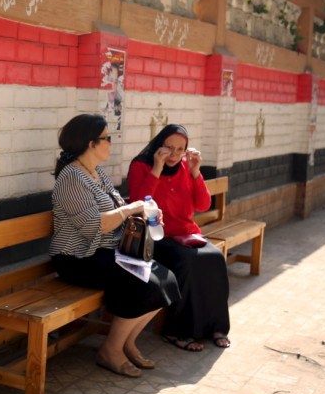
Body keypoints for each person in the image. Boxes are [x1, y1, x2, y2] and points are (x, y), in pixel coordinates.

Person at [50, 114, 181, 378]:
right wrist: (130, 209)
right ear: (91, 143)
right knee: (142, 282)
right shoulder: (72, 177)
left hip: (106, 253)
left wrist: (143, 212)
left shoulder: (97, 173)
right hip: (78, 258)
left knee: (167, 280)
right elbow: (91, 227)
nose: (111, 143)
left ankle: (126, 342)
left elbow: (120, 209)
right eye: (106, 138)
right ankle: (110, 350)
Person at [127, 124, 231, 351]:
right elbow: (138, 203)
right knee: (188, 261)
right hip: (156, 236)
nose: (174, 155)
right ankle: (176, 331)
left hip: (187, 234)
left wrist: (195, 172)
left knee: (215, 258)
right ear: (159, 146)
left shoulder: (186, 166)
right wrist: (157, 168)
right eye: (168, 148)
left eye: (180, 149)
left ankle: (216, 325)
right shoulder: (141, 165)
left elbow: (203, 204)